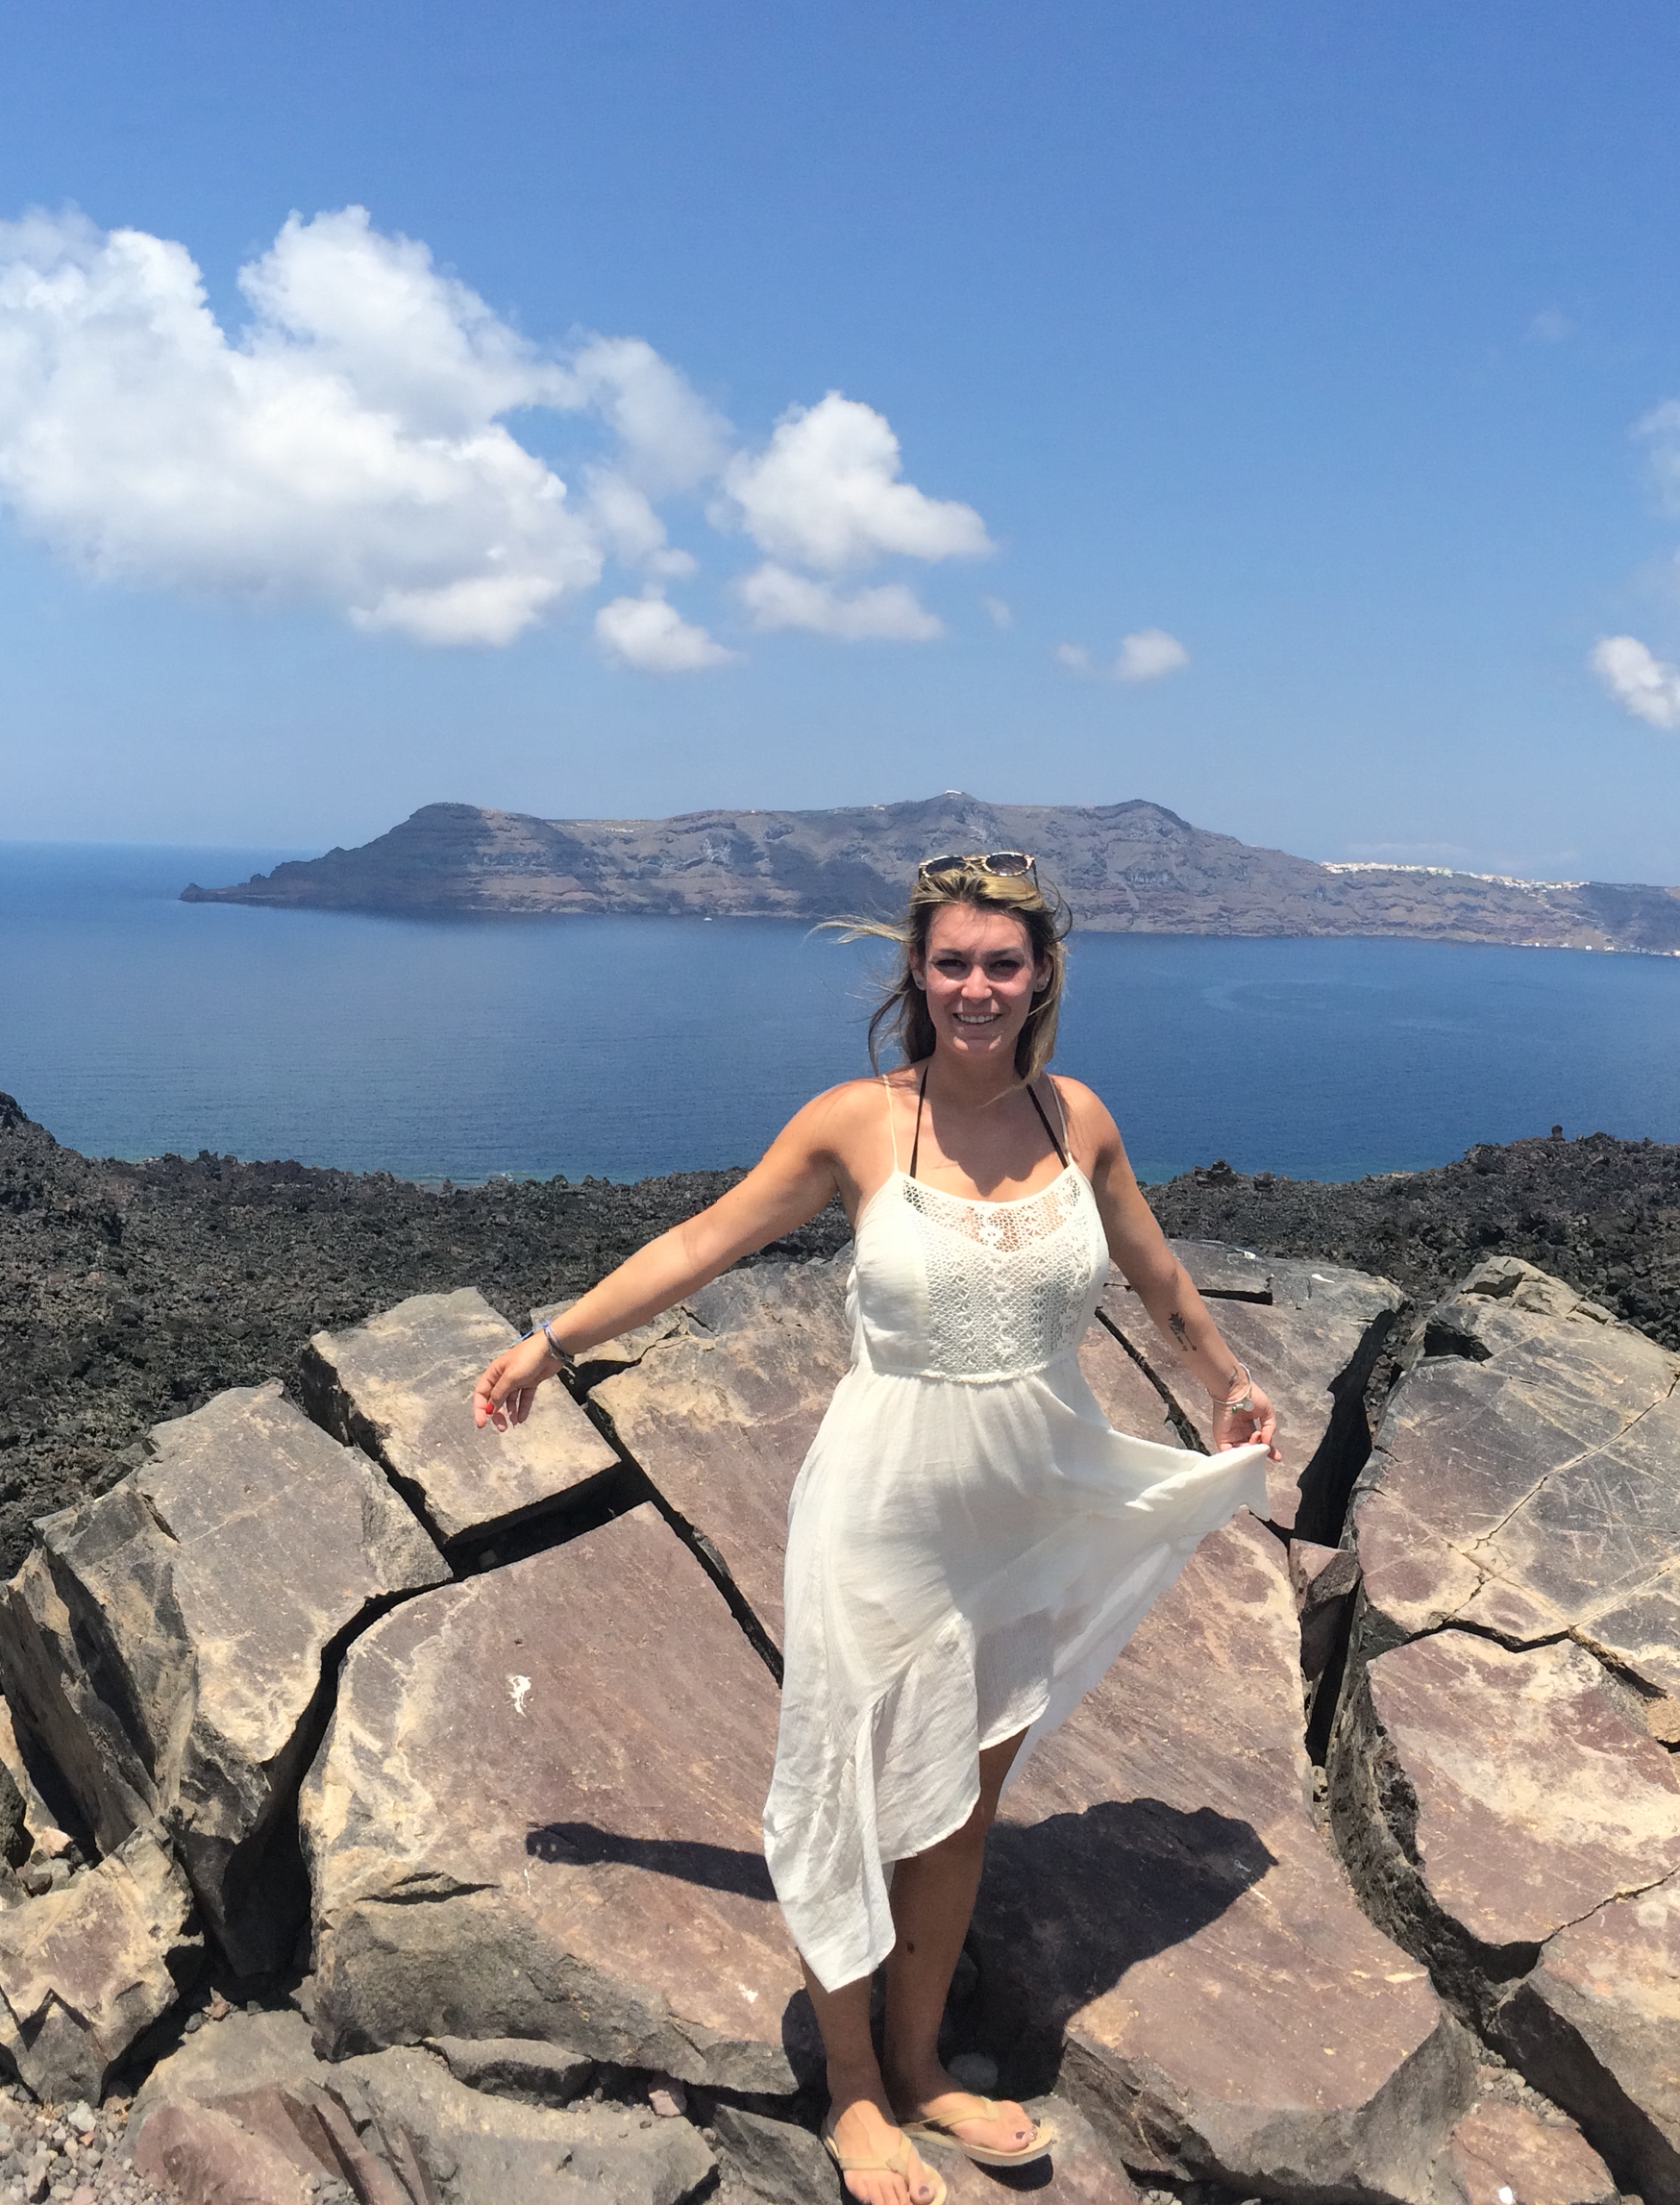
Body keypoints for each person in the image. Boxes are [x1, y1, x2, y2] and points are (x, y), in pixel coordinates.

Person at [467, 850, 1277, 2205]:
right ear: (917, 971)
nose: (976, 988)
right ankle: (850, 2086)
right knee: (842, 1784)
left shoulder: (1076, 1117)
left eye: (1001, 964)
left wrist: (1225, 1383)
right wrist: (553, 1341)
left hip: (1031, 1499)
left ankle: (920, 2063)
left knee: (960, 1801)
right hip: (884, 1508)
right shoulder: (856, 1122)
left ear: (1041, 976)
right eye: (952, 962)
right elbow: (702, 1243)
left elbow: (1154, 1272)